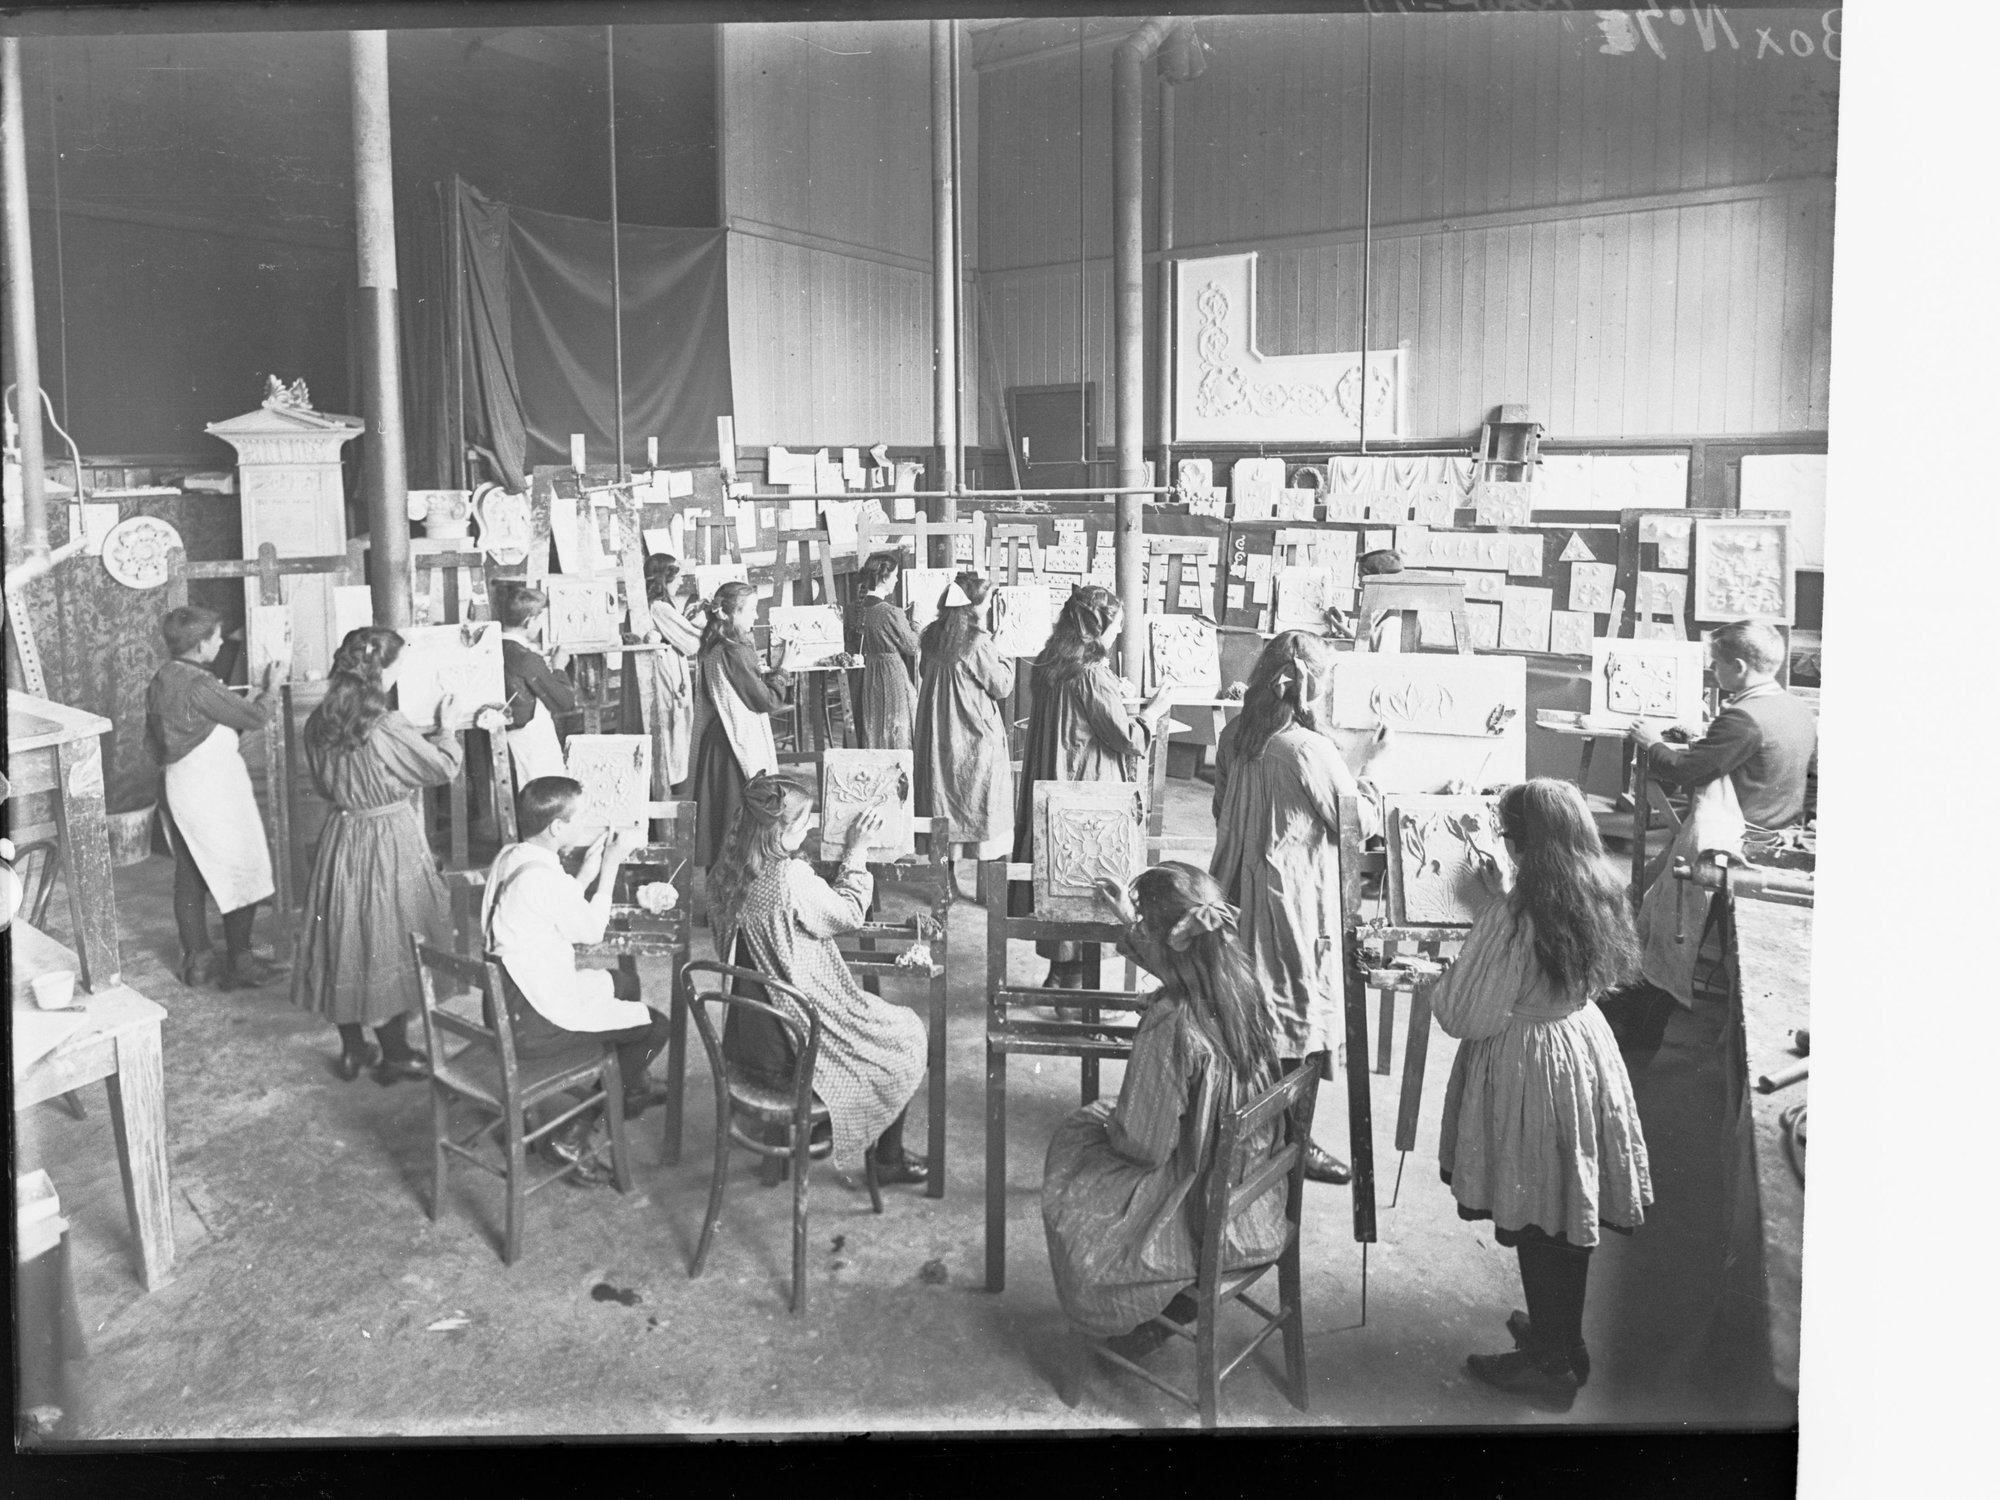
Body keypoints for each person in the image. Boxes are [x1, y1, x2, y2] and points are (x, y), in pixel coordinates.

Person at [1430, 778, 1652, 1413]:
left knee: (1537, 1214)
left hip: (1532, 1065)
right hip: (1579, 1045)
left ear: (1521, 842)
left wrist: (1484, 919)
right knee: (1561, 1204)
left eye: (1506, 834)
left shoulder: (1514, 915)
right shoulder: (1598, 885)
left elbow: (1464, 1014)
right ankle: (1564, 1341)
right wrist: (1503, 904)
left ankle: (1551, 1367)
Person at [1041, 863, 1290, 1361]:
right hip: (1253, 1189)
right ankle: (1169, 1302)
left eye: (1145, 928)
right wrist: (1128, 917)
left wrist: (1110, 1125)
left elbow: (1144, 1146)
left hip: (1201, 1205)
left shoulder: (1170, 1025)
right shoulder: (1239, 979)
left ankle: (1143, 1304)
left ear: (1166, 940)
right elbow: (1175, 951)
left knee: (1075, 1149)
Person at [1209, 631, 1388, 1186]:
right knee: (1297, 1017)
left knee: (1246, 1013)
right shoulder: (1309, 750)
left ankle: (1244, 1131)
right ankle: (1293, 1142)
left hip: (1233, 895)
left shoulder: (1237, 734)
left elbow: (1219, 807)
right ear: (1309, 686)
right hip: (1289, 905)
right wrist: (1374, 772)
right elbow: (1355, 825)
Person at [1604, 620, 1819, 1062]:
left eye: (1717, 665)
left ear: (1739, 666)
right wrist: (1703, 742)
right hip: (1775, 835)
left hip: (1731, 844)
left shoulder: (1743, 718)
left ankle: (1641, 1034)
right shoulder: (1794, 708)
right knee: (1663, 921)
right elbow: (1752, 760)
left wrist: (1651, 743)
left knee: (1670, 935)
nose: (1713, 672)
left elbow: (1685, 771)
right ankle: (1635, 1014)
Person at [708, 771, 930, 1185]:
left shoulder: (724, 874)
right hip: (793, 1050)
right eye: (803, 822)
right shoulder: (789, 878)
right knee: (906, 1036)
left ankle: (828, 1123)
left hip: (746, 1040)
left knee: (878, 1026)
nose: (811, 828)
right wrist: (856, 851)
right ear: (778, 832)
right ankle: (887, 1159)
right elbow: (849, 913)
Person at [293, 627, 492, 1083]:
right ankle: (396, 1054)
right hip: (388, 838)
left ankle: (352, 1050)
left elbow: (324, 785)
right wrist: (446, 729)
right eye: (398, 665)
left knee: (344, 937)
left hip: (342, 834)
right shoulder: (386, 725)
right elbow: (441, 767)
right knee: (394, 937)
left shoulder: (318, 722)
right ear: (380, 671)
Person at [483, 777, 676, 1176]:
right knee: (657, 1026)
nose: (586, 822)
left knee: (624, 984)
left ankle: (631, 1084)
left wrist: (585, 875)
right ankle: (573, 1133)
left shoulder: (512, 855)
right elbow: (590, 931)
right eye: (580, 817)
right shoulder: (543, 879)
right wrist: (610, 867)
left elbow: (547, 902)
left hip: (507, 1000)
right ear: (557, 827)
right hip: (534, 1020)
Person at [1009, 585, 1171, 990]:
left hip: (1055, 774)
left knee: (1058, 869)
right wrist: (1152, 713)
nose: (1118, 633)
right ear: (1097, 628)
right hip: (1087, 777)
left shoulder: (1050, 661)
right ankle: (1077, 981)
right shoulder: (1092, 673)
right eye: (1115, 626)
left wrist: (1113, 690)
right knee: (1088, 871)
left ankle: (1060, 972)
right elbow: (1124, 737)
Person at [143, 605, 286, 990]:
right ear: (200, 644)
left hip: (179, 785)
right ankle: (242, 963)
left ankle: (198, 963)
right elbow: (254, 718)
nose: (221, 643)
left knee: (190, 874)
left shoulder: (162, 678)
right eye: (216, 638)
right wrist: (272, 687)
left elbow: (153, 745)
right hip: (212, 789)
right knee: (241, 867)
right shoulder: (200, 685)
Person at [913, 572, 1015, 890]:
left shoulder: (932, 636)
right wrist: (1002, 651)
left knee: (943, 798)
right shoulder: (978, 642)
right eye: (988, 600)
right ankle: (987, 889)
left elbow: (924, 672)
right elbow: (1001, 686)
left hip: (938, 731)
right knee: (984, 800)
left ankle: (947, 882)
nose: (990, 605)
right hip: (973, 733)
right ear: (975, 605)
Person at [688, 581, 792, 868]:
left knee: (721, 826)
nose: (756, 616)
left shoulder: (713, 645)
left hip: (717, 742)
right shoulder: (735, 650)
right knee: (742, 828)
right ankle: (743, 889)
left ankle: (718, 890)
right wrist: (784, 668)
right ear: (730, 614)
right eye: (751, 610)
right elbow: (766, 701)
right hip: (735, 748)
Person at [631, 553, 703, 794]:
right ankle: (671, 786)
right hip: (667, 676)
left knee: (670, 729)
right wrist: (704, 623)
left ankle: (665, 782)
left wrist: (686, 619)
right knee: (672, 729)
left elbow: (674, 632)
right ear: (666, 578)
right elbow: (691, 643)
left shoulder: (645, 606)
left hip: (661, 672)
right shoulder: (659, 607)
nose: (681, 581)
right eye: (677, 577)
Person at [496, 583, 578, 791]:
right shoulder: (527, 659)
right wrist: (559, 667)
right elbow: (564, 702)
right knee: (546, 794)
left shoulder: (493, 647)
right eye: (541, 620)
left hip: (505, 738)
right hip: (530, 745)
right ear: (529, 621)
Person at [849, 550, 920, 750]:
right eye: (895, 575)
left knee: (870, 724)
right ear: (884, 578)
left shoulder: (853, 608)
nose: (896, 580)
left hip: (862, 675)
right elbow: (912, 647)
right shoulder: (891, 613)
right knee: (894, 727)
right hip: (890, 675)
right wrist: (916, 623)